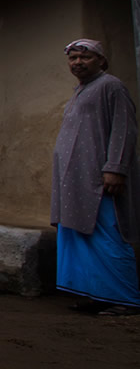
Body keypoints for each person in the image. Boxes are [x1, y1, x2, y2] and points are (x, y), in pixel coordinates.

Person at [51, 38, 140, 315]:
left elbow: (125, 129)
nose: (77, 62)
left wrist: (115, 168)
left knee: (107, 235)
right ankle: (97, 294)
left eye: (84, 57)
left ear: (101, 61)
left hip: (98, 181)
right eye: (73, 58)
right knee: (79, 236)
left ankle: (126, 299)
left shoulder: (111, 86)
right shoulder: (80, 91)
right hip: (74, 182)